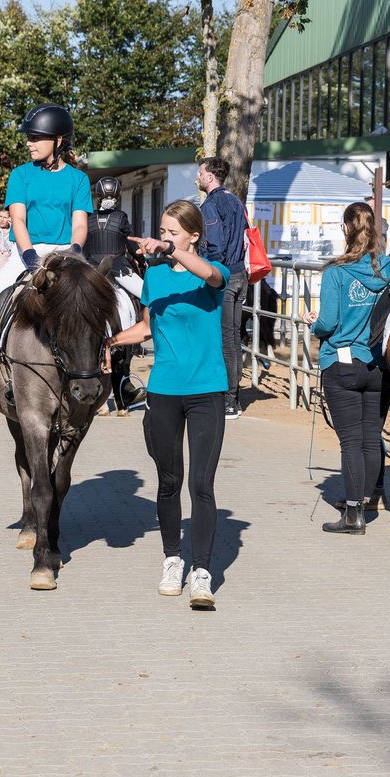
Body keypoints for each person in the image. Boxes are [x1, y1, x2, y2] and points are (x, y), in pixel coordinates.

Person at [107, 200, 229, 609]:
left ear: (193, 235)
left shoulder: (213, 273)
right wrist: (108, 342)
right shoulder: (155, 278)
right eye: (162, 231)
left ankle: (202, 572)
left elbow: (210, 274)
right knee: (169, 482)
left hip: (207, 391)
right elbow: (146, 326)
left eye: (173, 231)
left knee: (202, 485)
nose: (164, 238)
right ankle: (172, 560)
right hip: (164, 392)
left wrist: (173, 251)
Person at [0, 104, 92, 412]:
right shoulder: (20, 175)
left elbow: (79, 223)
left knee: (110, 306)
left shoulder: (78, 179)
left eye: (37, 137)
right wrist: (29, 255)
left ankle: (118, 377)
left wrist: (73, 253)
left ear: (59, 141)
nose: (29, 142)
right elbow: (18, 221)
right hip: (27, 254)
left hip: (68, 253)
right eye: (29, 137)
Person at [301, 202, 390, 534]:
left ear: (345, 229)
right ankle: (367, 500)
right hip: (377, 362)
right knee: (371, 437)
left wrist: (312, 323)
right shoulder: (388, 270)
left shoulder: (335, 272)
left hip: (342, 361)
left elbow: (328, 322)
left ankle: (353, 515)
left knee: (350, 441)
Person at [85, 175, 145, 409]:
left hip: (92, 272)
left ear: (97, 196)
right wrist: (142, 258)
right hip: (118, 271)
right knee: (148, 296)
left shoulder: (87, 218)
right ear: (116, 196)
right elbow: (130, 245)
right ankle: (138, 343)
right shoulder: (121, 217)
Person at [196, 155, 249, 420]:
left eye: (200, 172)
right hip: (242, 275)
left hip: (225, 277)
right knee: (233, 337)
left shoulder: (211, 205)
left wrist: (211, 273)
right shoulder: (236, 201)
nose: (198, 177)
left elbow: (214, 245)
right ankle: (232, 395)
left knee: (225, 338)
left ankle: (229, 399)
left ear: (209, 176)